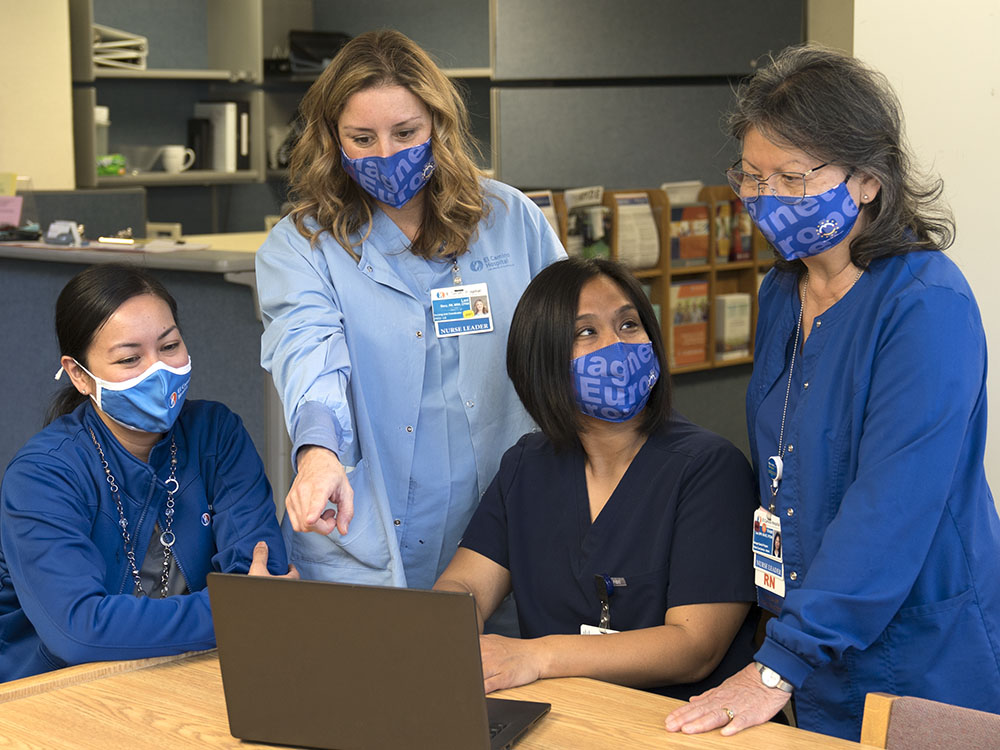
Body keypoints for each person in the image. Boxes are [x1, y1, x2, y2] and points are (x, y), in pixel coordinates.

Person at [665, 45, 1000, 741]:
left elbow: (892, 508)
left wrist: (775, 666)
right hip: (805, 641)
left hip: (915, 649)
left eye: (793, 177)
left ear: (868, 180)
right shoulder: (783, 292)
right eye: (753, 177)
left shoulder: (926, 306)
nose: (767, 199)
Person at [256, 29, 565, 590]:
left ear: (438, 126)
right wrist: (319, 453)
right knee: (375, 667)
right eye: (362, 138)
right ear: (333, 139)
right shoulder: (302, 245)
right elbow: (309, 357)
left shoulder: (509, 218)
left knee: (500, 668)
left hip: (502, 524)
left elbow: (566, 339)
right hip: (366, 525)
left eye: (406, 132)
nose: (386, 155)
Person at [433, 257, 758, 698]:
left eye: (629, 324)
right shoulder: (527, 466)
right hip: (562, 720)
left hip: (675, 726)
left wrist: (537, 656)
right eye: (586, 332)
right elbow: (466, 583)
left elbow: (693, 646)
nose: (617, 346)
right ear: (542, 361)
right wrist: (449, 628)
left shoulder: (710, 468)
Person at [0, 264, 293, 683]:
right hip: (56, 692)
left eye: (170, 345)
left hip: (186, 675)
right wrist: (237, 611)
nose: (158, 371)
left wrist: (253, 605)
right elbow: (78, 631)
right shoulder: (42, 475)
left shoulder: (217, 433)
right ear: (79, 375)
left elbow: (265, 571)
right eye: (130, 358)